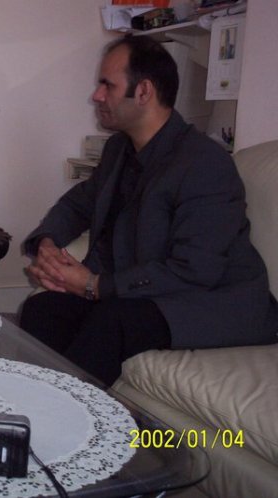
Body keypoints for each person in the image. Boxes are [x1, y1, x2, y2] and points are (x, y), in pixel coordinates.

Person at [19, 36, 277, 386]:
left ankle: (68, 412)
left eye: (107, 85)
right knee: (43, 309)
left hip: (211, 300)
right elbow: (79, 203)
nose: (97, 96)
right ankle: (35, 403)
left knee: (112, 322)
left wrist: (95, 285)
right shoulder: (118, 149)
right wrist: (47, 245)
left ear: (143, 92)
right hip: (146, 290)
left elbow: (196, 270)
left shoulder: (204, 163)